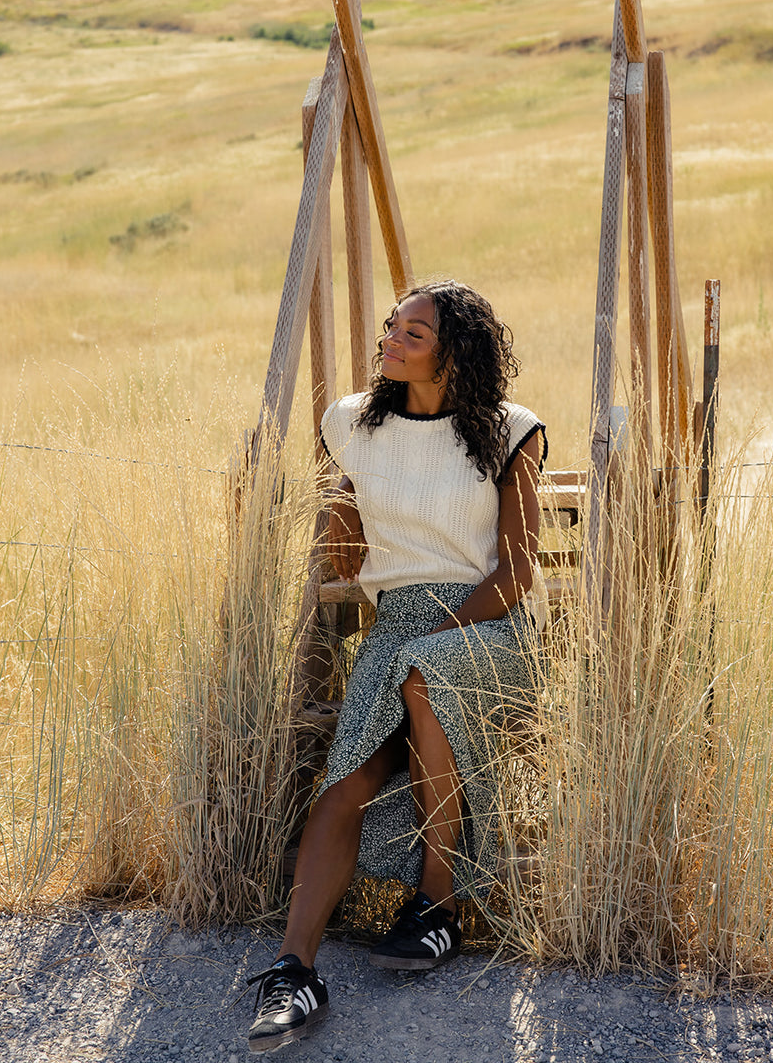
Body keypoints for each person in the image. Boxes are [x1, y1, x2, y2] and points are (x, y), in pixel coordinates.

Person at [247, 280, 547, 1053]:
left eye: (413, 334)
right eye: (392, 327)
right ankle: (293, 970)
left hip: (493, 624)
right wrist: (339, 510)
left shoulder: (511, 431)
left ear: (454, 352)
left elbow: (517, 569)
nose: (391, 340)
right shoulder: (353, 423)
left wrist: (439, 631)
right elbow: (350, 499)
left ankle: (438, 903)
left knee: (423, 674)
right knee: (344, 779)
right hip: (397, 627)